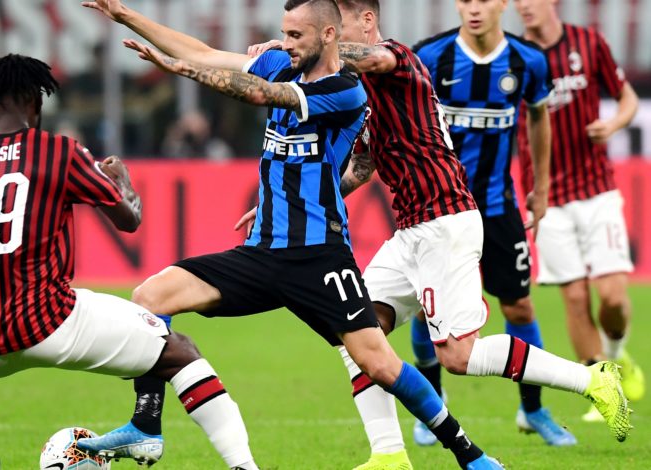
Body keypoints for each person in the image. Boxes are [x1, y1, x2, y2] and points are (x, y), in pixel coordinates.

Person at [83, 1, 501, 468]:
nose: (285, 44)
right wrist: (127, 16)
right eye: (284, 33)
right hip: (261, 253)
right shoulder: (281, 62)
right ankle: (146, 424)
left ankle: (469, 454)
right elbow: (204, 52)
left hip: (320, 257)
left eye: (296, 35)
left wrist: (182, 71)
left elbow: (262, 94)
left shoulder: (346, 92)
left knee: (379, 363)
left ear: (328, 35)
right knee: (148, 298)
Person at [246, 0, 630, 467]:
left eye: (334, 27)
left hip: (445, 220)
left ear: (366, 21)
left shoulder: (396, 57)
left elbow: (366, 57)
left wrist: (302, 49)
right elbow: (363, 165)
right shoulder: (357, 90)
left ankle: (593, 380)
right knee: (356, 332)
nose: (328, 34)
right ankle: (388, 454)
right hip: (412, 229)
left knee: (459, 356)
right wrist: (290, 197)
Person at [0, 53, 260, 470]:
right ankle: (240, 465)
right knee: (181, 351)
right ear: (37, 102)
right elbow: (129, 221)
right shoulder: (58, 152)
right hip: (51, 323)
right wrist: (123, 182)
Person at [405, 0, 578, 447]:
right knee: (428, 309)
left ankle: (533, 410)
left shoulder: (528, 60)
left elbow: (539, 116)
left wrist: (540, 186)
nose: (474, 9)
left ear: (503, 4)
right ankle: (432, 405)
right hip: (439, 208)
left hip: (499, 207)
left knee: (519, 307)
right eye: (466, 0)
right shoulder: (430, 57)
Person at [513, 0, 644, 422]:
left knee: (613, 299)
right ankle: (605, 391)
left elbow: (626, 97)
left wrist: (615, 124)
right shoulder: (513, 55)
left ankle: (618, 355)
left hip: (597, 190)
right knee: (573, 297)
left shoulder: (588, 43)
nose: (523, 6)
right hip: (546, 198)